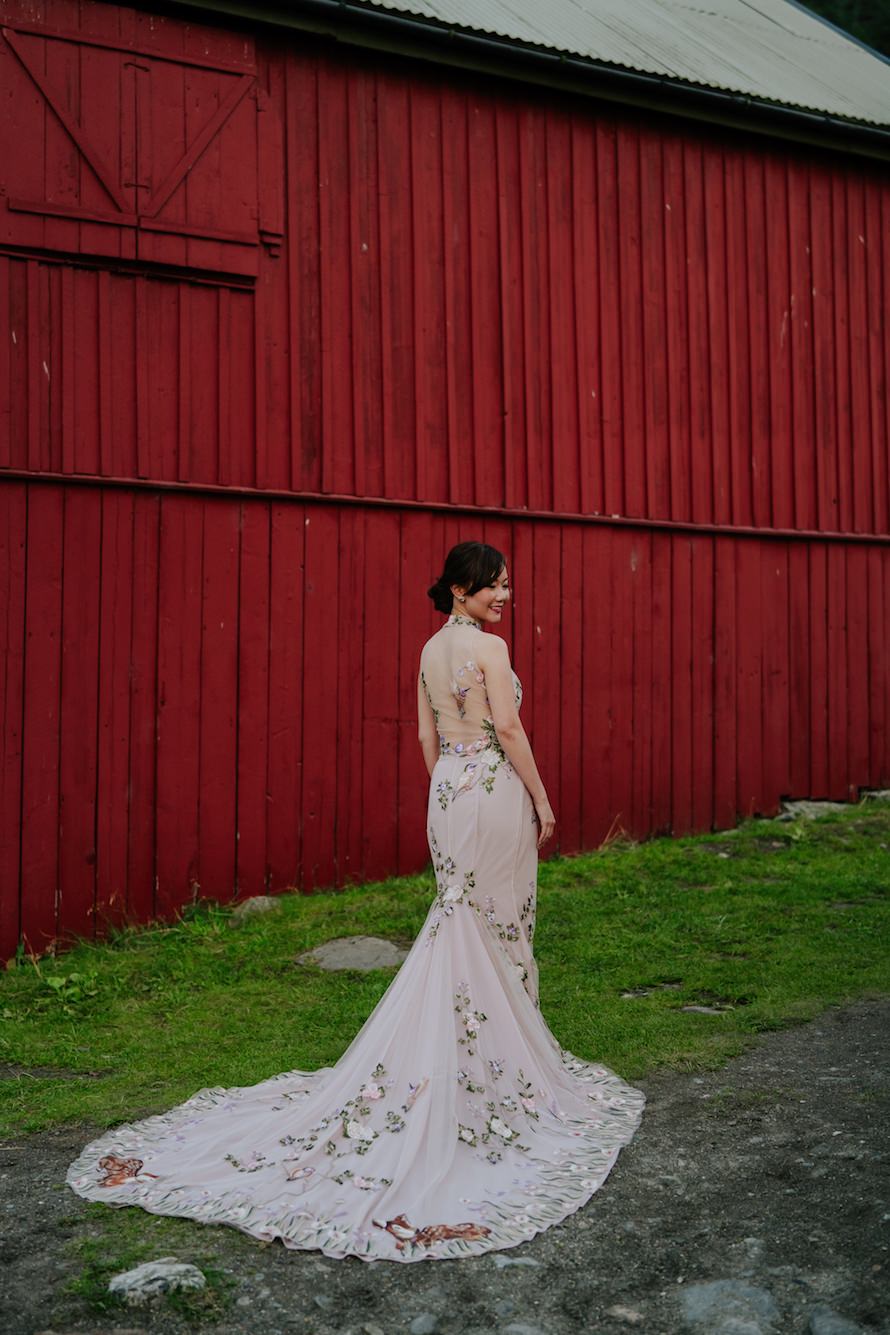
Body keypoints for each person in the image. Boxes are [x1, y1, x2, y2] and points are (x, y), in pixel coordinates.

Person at [66, 540, 645, 1262]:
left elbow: (430, 737)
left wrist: (448, 790)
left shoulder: (429, 652)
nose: (505, 597)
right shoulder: (488, 652)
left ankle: (475, 1063)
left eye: (506, 587)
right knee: (498, 927)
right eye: (495, 586)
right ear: (462, 589)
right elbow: (509, 728)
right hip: (492, 791)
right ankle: (503, 1074)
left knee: (458, 923)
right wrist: (539, 794)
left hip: (448, 795)